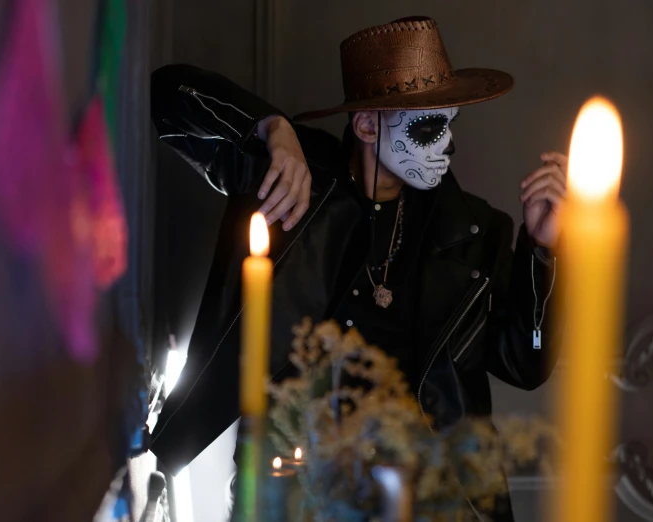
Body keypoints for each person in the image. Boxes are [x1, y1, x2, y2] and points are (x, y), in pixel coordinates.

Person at [150, 16, 566, 519]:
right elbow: (165, 96)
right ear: (367, 125)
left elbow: (528, 362)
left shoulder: (474, 231)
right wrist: (270, 128)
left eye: (450, 123)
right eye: (430, 126)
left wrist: (543, 253)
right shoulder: (291, 178)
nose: (448, 145)